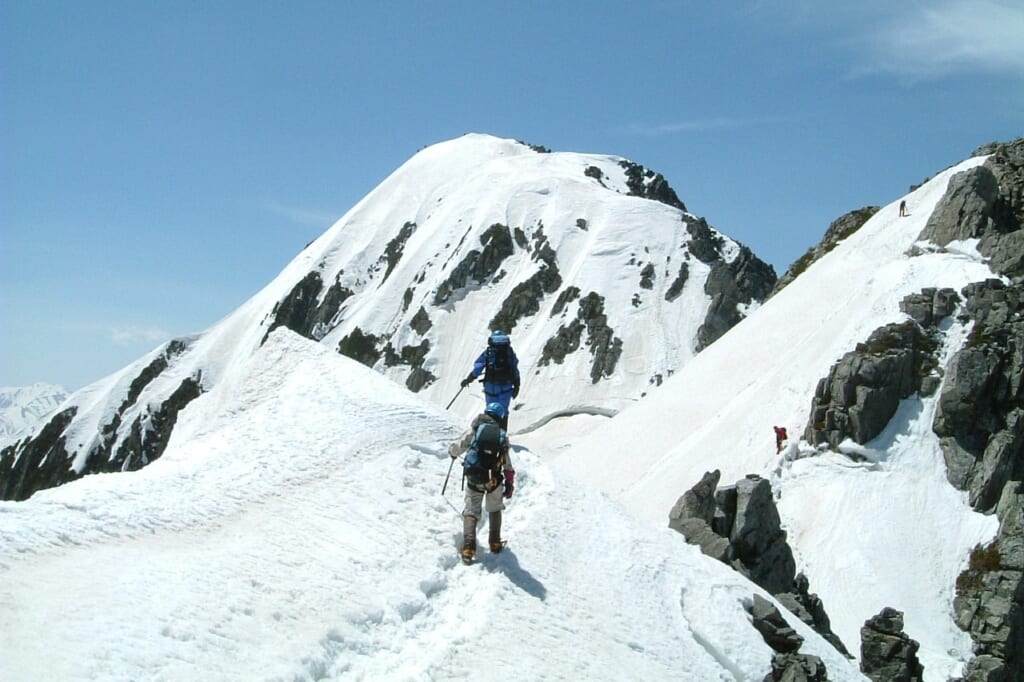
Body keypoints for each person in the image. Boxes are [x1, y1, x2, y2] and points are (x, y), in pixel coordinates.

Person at [448, 402, 515, 562]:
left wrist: (452, 452)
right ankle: (495, 544)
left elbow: (460, 446)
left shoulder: (475, 429)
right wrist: (509, 484)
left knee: (471, 512)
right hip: (493, 480)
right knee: (494, 509)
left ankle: (469, 549)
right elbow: (507, 464)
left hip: (474, 477)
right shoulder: (502, 436)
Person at [460, 329, 521, 428]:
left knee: (491, 410)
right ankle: (502, 436)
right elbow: (515, 368)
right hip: (506, 386)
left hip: (491, 386)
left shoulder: (489, 352)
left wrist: (469, 379)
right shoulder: (509, 352)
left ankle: (489, 434)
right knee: (504, 411)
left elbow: (478, 367)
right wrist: (517, 385)